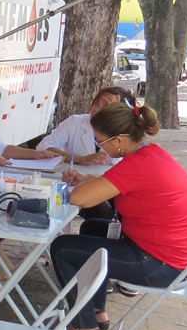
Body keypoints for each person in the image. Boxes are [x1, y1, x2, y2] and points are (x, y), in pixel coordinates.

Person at [49, 100, 187, 330]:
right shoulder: (151, 154)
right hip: (179, 255)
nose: (100, 147)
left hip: (162, 265)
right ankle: (97, 312)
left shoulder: (137, 165)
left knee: (62, 247)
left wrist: (85, 187)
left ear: (119, 140)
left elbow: (78, 199)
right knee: (91, 229)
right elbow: (123, 184)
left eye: (101, 142)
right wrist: (89, 179)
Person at [37, 86, 140, 298]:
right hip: (85, 185)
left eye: (108, 105)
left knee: (105, 214)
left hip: (107, 190)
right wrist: (80, 160)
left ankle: (109, 274)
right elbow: (43, 147)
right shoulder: (76, 122)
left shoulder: (128, 148)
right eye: (98, 102)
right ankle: (95, 281)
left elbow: (117, 176)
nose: (99, 108)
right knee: (94, 218)